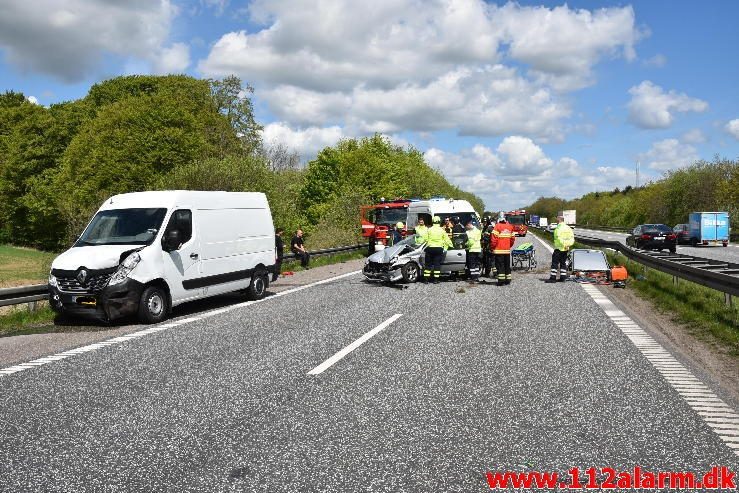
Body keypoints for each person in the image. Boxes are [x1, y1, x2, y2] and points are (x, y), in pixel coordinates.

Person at [424, 216, 452, 284]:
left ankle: (426, 280)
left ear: (433, 221)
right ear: (439, 222)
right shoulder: (442, 230)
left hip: (430, 248)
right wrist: (450, 246)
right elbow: (447, 240)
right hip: (438, 249)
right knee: (437, 265)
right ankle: (436, 280)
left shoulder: (429, 229)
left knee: (428, 265)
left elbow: (425, 239)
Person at [548, 215, 575, 282]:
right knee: (563, 263)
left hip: (559, 249)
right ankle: (563, 278)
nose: (556, 220)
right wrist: (567, 245)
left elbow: (558, 238)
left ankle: (553, 278)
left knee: (555, 263)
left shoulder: (558, 228)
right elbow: (572, 238)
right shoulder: (568, 228)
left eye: (557, 219)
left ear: (559, 219)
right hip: (566, 249)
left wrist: (563, 244)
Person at [491, 212, 515, 285]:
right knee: (507, 265)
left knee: (500, 265)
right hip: (507, 250)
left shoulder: (497, 226)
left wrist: (492, 247)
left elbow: (493, 239)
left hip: (498, 250)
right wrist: (508, 246)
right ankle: (508, 280)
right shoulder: (510, 226)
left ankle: (501, 281)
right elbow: (512, 239)